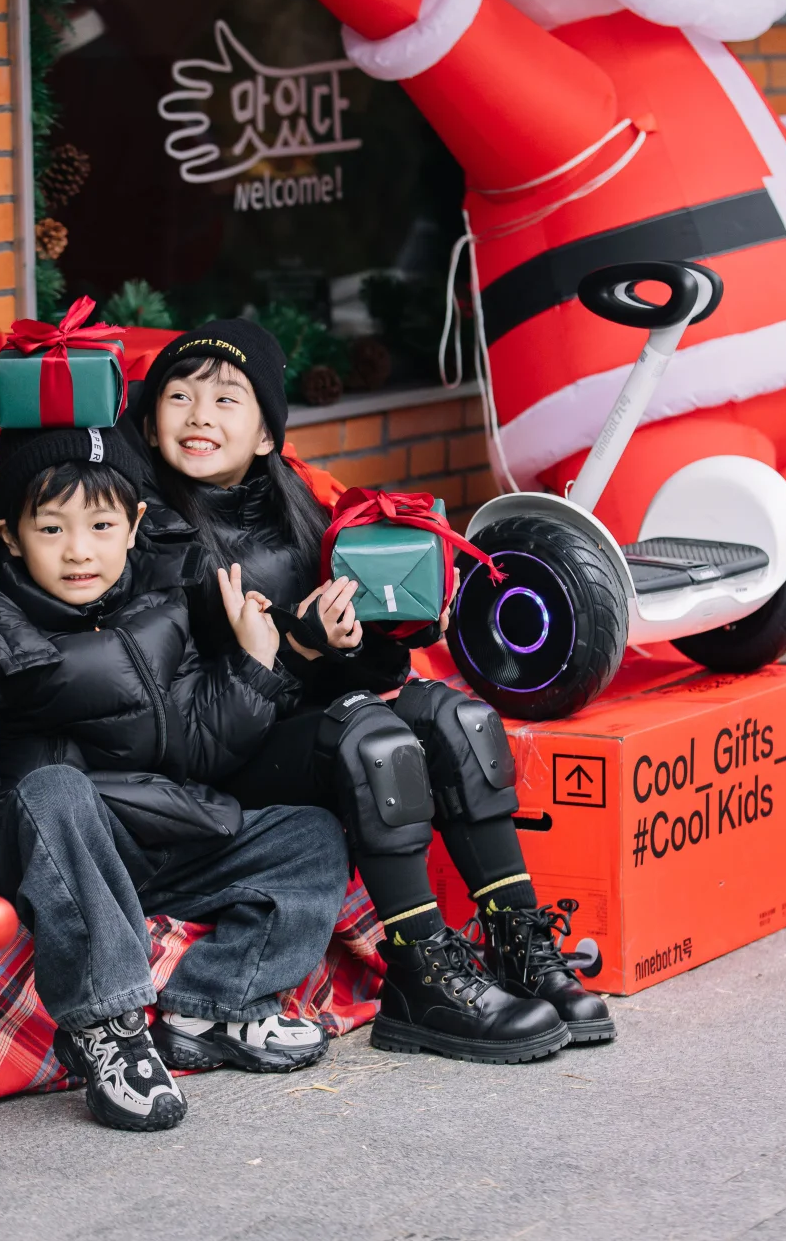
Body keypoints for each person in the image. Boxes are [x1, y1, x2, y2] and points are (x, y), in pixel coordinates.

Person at [131, 320, 615, 1064]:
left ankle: (518, 944)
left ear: (266, 436)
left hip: (296, 732)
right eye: (179, 397)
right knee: (372, 741)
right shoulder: (146, 535)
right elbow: (183, 729)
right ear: (148, 420)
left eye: (226, 399)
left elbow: (362, 677)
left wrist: (371, 639)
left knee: (456, 719)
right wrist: (295, 651)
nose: (200, 415)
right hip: (217, 769)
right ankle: (421, 976)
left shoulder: (299, 512)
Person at [0, 425, 350, 1132]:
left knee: (309, 836)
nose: (79, 550)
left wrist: (256, 666)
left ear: (133, 527)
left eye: (101, 526)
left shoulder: (162, 598)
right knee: (56, 790)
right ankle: (108, 1029)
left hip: (149, 833)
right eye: (52, 529)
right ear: (12, 537)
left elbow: (198, 749)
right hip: (46, 845)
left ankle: (213, 1006)